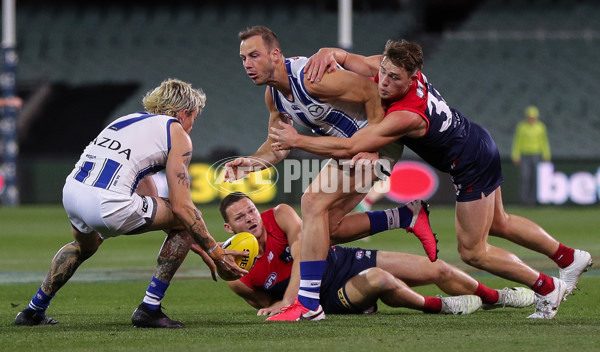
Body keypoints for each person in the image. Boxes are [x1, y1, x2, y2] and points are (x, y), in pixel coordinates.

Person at [269, 40, 593, 319]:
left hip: (470, 163)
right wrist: (328, 52)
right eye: (383, 72)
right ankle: (568, 257)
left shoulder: (406, 114)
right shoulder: (388, 70)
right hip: (477, 141)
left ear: (411, 78)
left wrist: (297, 141)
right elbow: (347, 58)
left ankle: (547, 287)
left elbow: (354, 145)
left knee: (473, 251)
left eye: (394, 79)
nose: (383, 82)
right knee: (501, 223)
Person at [224, 26, 439, 321]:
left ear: (275, 55)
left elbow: (370, 91)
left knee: (312, 202)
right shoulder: (274, 96)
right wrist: (250, 163)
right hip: (349, 151)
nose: (247, 64)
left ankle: (309, 304)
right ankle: (407, 216)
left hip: (375, 148)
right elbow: (278, 146)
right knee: (327, 229)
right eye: (243, 58)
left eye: (254, 55)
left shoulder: (311, 77)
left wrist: (374, 144)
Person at [14, 79, 248, 328]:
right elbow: (182, 208)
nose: (192, 125)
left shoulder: (129, 120)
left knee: (84, 246)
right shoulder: (176, 132)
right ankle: (150, 308)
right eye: (194, 117)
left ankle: (32, 311)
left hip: (72, 193)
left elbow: (150, 191)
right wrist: (216, 251)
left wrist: (195, 237)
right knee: (190, 215)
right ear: (184, 113)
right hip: (109, 203)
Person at [218, 192, 536, 320]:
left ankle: (497, 297)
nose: (250, 218)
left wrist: (291, 301)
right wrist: (280, 308)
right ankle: (442, 306)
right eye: (241, 217)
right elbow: (264, 305)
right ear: (228, 226)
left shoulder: (281, 215)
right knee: (382, 280)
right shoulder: (236, 273)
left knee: (438, 269)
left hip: (342, 260)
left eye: (250, 210)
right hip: (329, 298)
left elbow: (304, 255)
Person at [511, 105, 551, 206]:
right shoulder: (522, 127)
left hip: (536, 154)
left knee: (534, 178)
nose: (531, 119)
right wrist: (515, 154)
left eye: (533, 117)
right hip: (525, 155)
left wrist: (546, 154)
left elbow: (544, 142)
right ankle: (524, 200)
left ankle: (533, 201)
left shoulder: (541, 127)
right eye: (530, 117)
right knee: (525, 177)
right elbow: (517, 141)